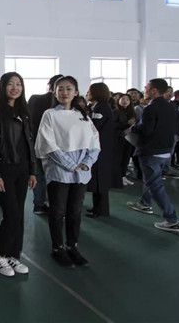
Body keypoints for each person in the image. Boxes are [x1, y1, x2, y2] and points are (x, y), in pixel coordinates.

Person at [35, 76, 100, 268]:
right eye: (60, 89)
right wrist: (69, 165)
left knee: (75, 211)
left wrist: (87, 162)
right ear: (54, 92)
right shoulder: (50, 115)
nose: (65, 93)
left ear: (76, 92)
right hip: (59, 169)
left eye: (69, 89)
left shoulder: (83, 115)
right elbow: (47, 143)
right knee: (57, 211)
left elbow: (94, 141)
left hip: (82, 170)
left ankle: (73, 246)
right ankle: (58, 248)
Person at [0, 73, 37, 277]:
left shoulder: (24, 111)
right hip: (4, 170)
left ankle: (14, 255)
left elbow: (29, 143)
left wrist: (32, 170)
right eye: (11, 84)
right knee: (11, 214)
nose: (15, 88)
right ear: (3, 86)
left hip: (22, 169)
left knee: (19, 215)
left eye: (19, 84)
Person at [125, 78, 179, 233]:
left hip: (151, 150)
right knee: (151, 179)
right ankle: (145, 203)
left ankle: (171, 220)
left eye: (146, 88)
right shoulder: (171, 107)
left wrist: (133, 127)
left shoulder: (151, 108)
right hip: (166, 150)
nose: (143, 90)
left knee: (155, 184)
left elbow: (146, 129)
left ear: (154, 90)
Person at [28, 74, 63, 215]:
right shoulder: (61, 103)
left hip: (35, 141)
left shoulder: (34, 99)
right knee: (57, 174)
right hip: (55, 144)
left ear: (49, 85)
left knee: (39, 173)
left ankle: (38, 204)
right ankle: (57, 205)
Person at [86, 82, 115, 218]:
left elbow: (94, 127)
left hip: (101, 148)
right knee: (98, 179)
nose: (87, 93)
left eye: (89, 91)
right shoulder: (98, 107)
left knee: (100, 179)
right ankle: (97, 207)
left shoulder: (101, 109)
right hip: (101, 146)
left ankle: (101, 210)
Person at [113, 94, 136, 186]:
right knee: (118, 158)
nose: (125, 101)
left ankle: (123, 176)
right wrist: (127, 124)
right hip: (119, 138)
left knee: (126, 158)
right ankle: (117, 178)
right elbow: (113, 125)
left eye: (127, 99)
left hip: (129, 139)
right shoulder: (115, 112)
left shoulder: (132, 112)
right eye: (123, 99)